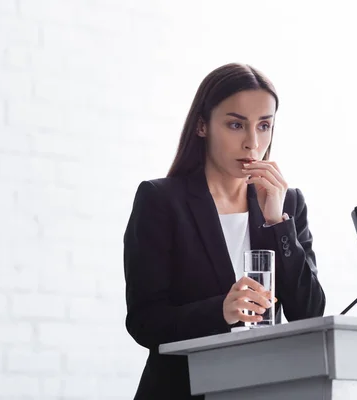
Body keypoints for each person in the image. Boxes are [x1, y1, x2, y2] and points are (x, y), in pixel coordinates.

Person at [123, 63, 326, 399]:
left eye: (264, 126)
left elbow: (309, 312)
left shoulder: (287, 203)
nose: (252, 143)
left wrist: (278, 222)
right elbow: (145, 322)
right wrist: (220, 310)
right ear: (202, 125)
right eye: (236, 125)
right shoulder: (161, 200)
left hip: (264, 389)